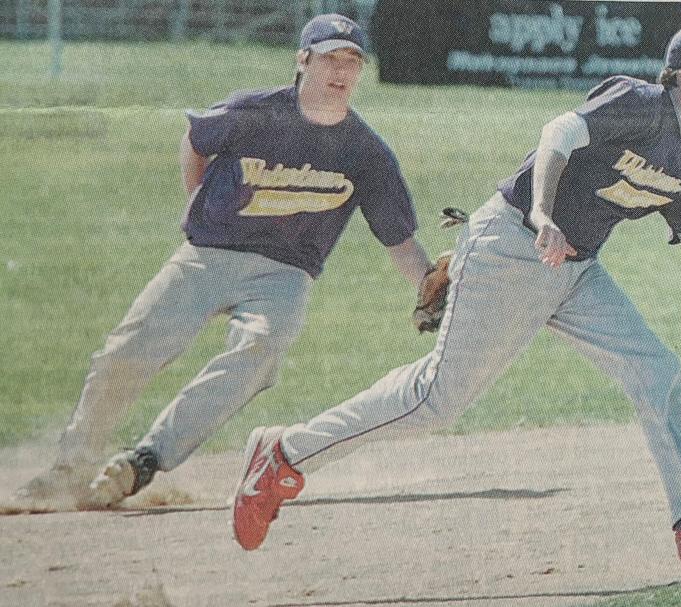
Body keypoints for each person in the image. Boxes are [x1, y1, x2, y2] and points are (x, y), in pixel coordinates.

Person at [232, 22, 681, 578]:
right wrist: (541, 212)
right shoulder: (642, 102)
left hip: (574, 269)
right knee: (436, 400)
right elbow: (561, 131)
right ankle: (284, 453)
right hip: (512, 244)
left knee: (655, 370)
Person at [14, 14, 431, 511]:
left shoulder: (367, 152)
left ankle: (145, 459)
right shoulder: (253, 112)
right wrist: (195, 196)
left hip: (284, 273)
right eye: (329, 57)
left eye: (352, 60)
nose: (341, 69)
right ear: (303, 60)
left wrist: (430, 286)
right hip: (207, 255)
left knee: (262, 349)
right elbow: (196, 141)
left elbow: (400, 241)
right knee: (128, 351)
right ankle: (70, 467)